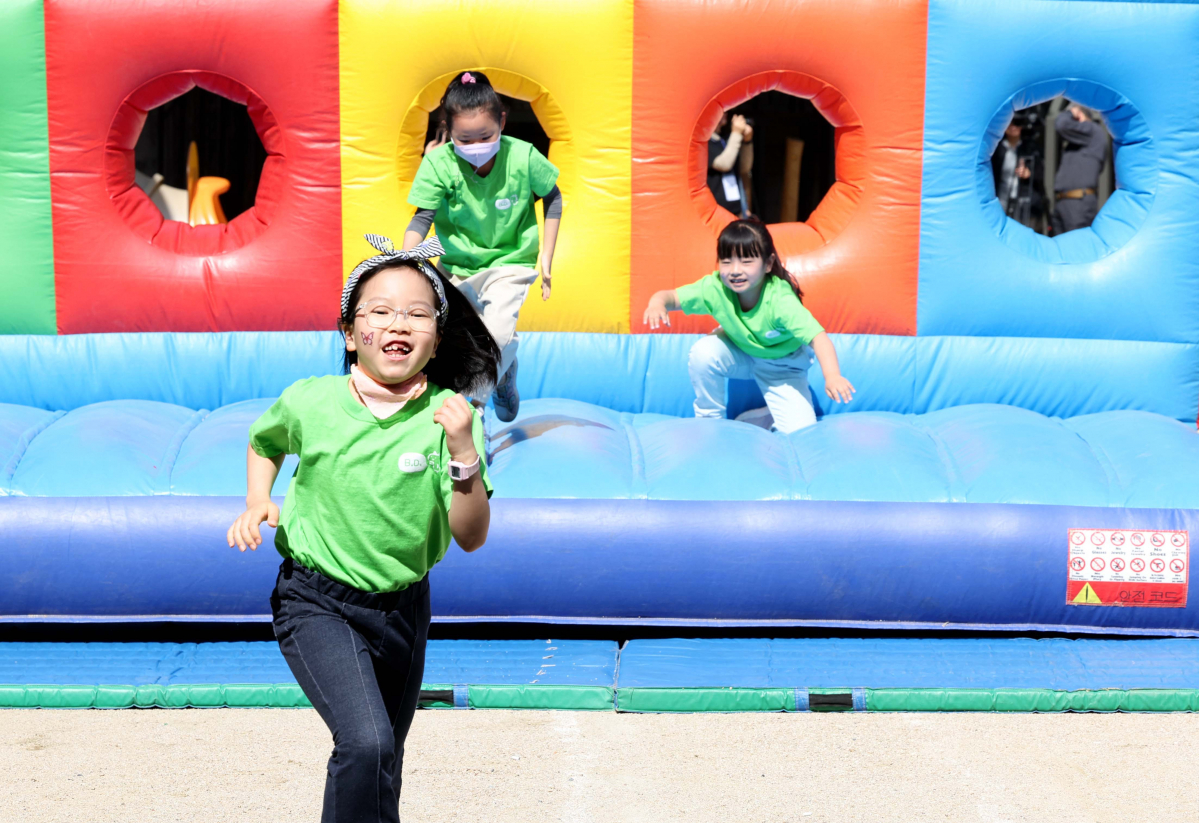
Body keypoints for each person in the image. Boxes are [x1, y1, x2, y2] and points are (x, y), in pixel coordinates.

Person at [226, 233, 499, 823]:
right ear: (351, 334)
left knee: (383, 757)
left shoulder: (451, 417)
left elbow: (471, 535)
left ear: (437, 339)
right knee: (366, 742)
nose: (398, 323)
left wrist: (461, 451)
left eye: (417, 313)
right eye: (380, 311)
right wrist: (257, 499)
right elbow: (263, 441)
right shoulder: (312, 402)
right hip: (316, 600)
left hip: (403, 607)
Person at [404, 71, 563, 423]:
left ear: (502, 121)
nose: (476, 146)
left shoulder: (523, 156)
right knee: (454, 341)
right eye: (465, 139)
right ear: (449, 131)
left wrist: (547, 256)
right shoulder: (438, 163)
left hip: (510, 260)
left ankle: (472, 409)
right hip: (456, 265)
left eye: (485, 136)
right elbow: (421, 219)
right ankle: (504, 374)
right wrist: (406, 261)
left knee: (498, 334)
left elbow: (552, 197)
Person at [641, 219, 855, 433]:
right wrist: (657, 303)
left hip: (782, 366)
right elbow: (671, 296)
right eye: (726, 261)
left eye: (746, 261)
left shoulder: (780, 300)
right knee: (703, 351)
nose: (735, 270)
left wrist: (832, 376)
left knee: (800, 432)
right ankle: (708, 421)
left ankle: (768, 416)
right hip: (740, 352)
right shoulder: (715, 288)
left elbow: (818, 338)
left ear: (768, 264)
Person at [1052, 102, 1108, 234]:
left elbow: (1061, 124)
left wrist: (1071, 111)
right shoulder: (1081, 140)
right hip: (1064, 202)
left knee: (1075, 249)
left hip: (1078, 203)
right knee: (1059, 250)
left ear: (1079, 115)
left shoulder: (1093, 130)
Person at [991, 114, 1044, 230]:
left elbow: (1042, 174)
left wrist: (1029, 173)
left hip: (1023, 203)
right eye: (1009, 123)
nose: (1013, 127)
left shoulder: (1030, 148)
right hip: (1001, 200)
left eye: (1017, 123)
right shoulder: (996, 149)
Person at [708, 112, 754, 217]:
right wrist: (737, 133)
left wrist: (747, 141)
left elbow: (745, 167)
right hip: (716, 213)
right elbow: (724, 164)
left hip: (737, 211)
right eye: (721, 111)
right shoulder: (704, 142)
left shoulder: (724, 140)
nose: (725, 114)